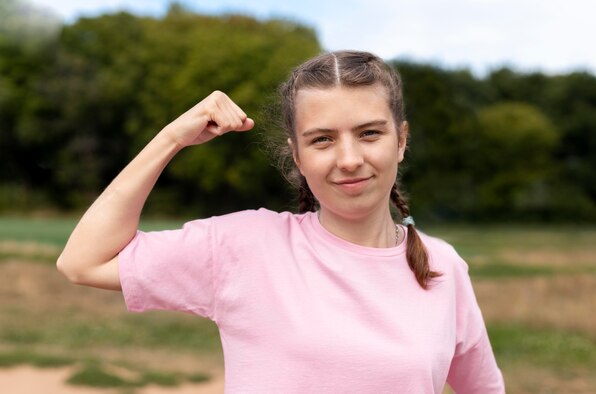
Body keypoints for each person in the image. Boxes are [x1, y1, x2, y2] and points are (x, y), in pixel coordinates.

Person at [57, 50, 505, 393]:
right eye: (322, 139)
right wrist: (172, 138)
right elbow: (82, 262)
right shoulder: (245, 246)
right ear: (296, 153)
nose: (349, 159)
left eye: (369, 133)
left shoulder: (443, 266)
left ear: (401, 140)